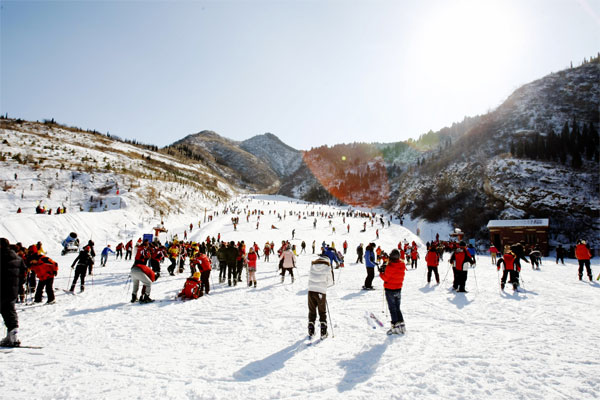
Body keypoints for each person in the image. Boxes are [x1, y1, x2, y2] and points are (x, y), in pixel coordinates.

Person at [0, 238, 26, 347]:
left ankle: (11, 336)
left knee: (6, 311)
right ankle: (13, 336)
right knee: (9, 311)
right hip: (12, 290)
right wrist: (18, 285)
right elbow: (24, 274)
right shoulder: (18, 258)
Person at [379, 249, 407, 335]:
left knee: (392, 308)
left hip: (390, 289)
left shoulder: (390, 266)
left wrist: (381, 273)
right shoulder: (402, 265)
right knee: (397, 308)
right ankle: (401, 325)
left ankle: (395, 326)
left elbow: (385, 278)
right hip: (398, 288)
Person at [307, 253, 333, 339]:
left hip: (311, 290)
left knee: (312, 310)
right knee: (322, 311)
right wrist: (325, 286)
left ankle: (311, 329)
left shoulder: (313, 264)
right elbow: (330, 281)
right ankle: (323, 331)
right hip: (321, 291)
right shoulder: (327, 266)